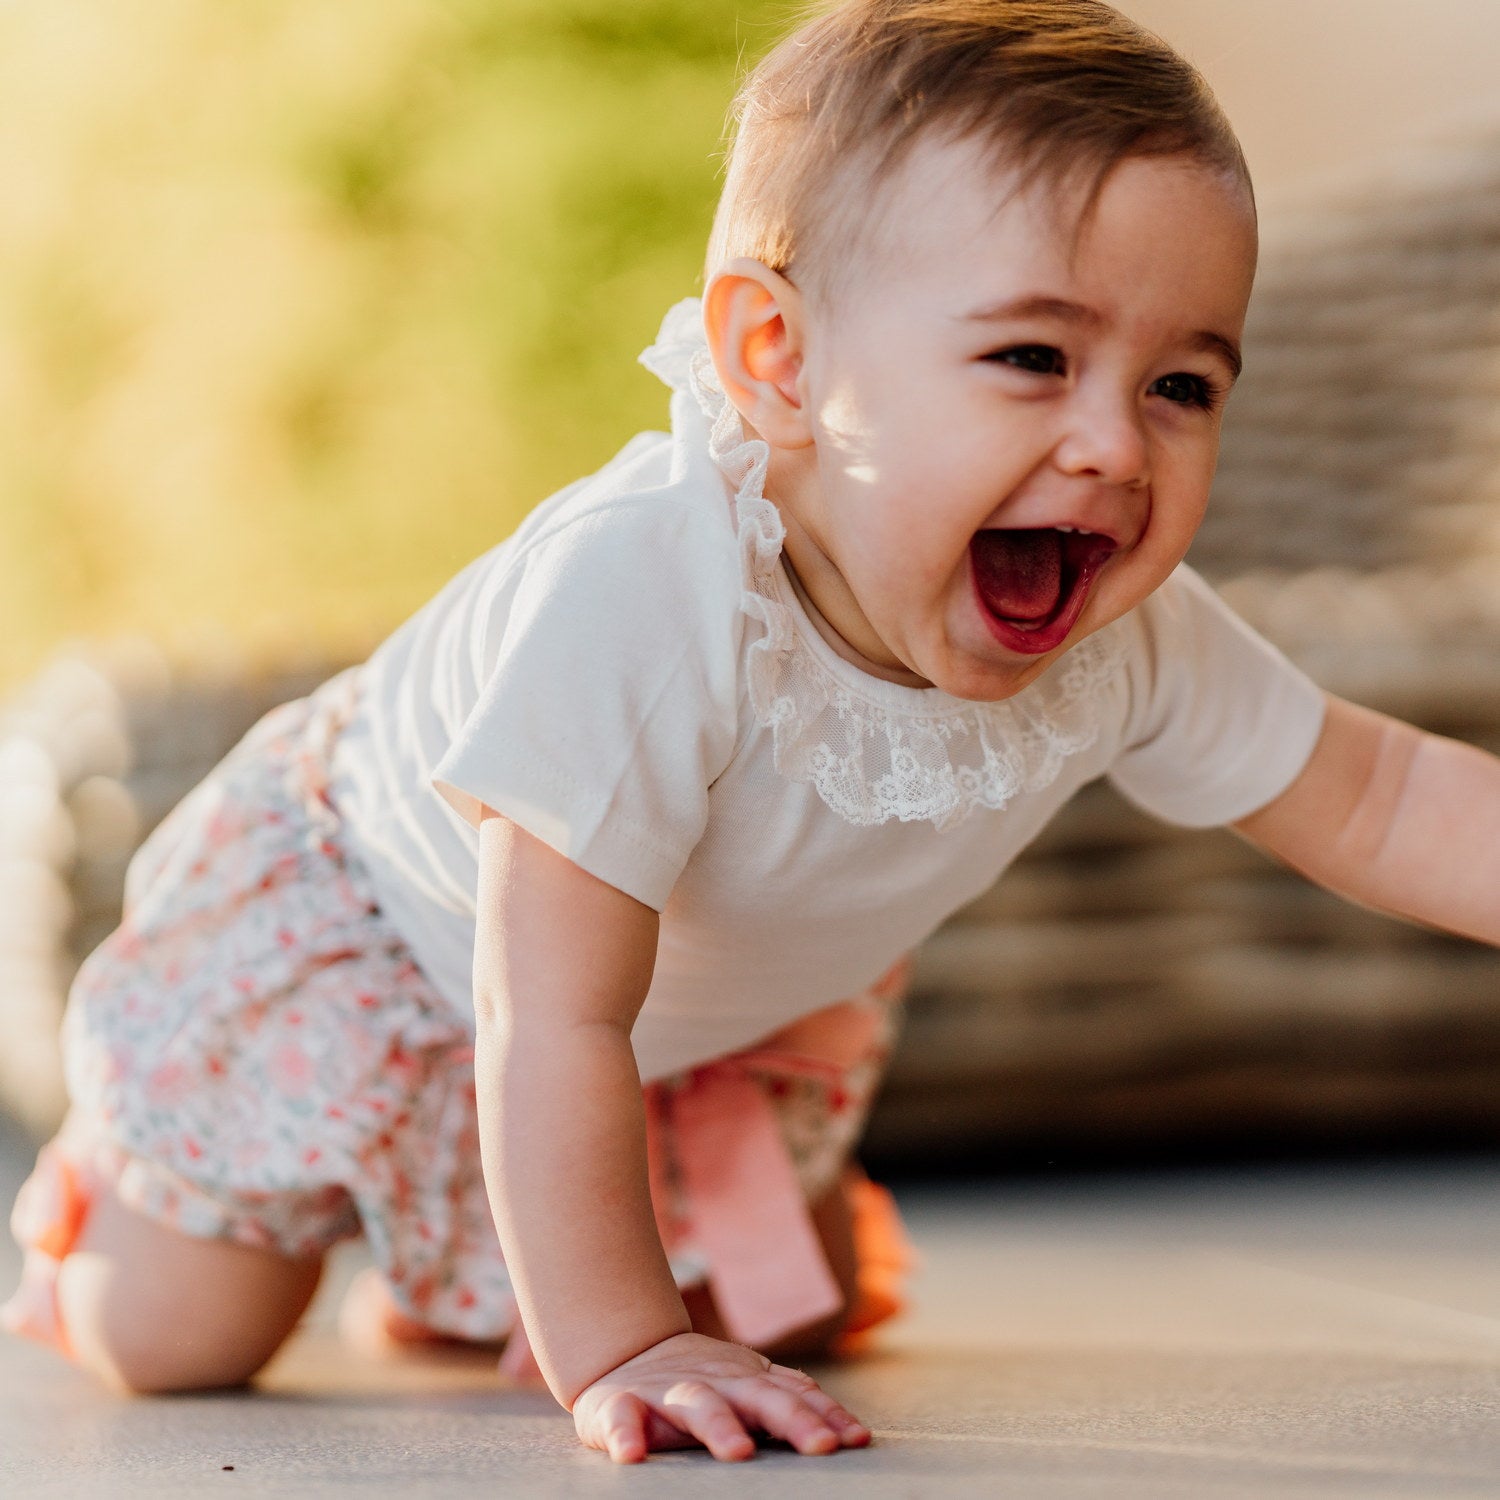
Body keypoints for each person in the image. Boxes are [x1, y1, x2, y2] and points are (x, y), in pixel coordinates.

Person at [9, 0, 1499, 1466]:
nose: (1116, 445)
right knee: (176, 1338)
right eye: (1033, 359)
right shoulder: (648, 600)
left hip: (677, 1022)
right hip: (398, 943)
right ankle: (112, 1194)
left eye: (1182, 385)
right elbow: (549, 1015)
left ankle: (467, 1284)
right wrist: (621, 1347)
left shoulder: (1129, 638)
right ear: (779, 358)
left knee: (801, 1310)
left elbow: (1376, 798)